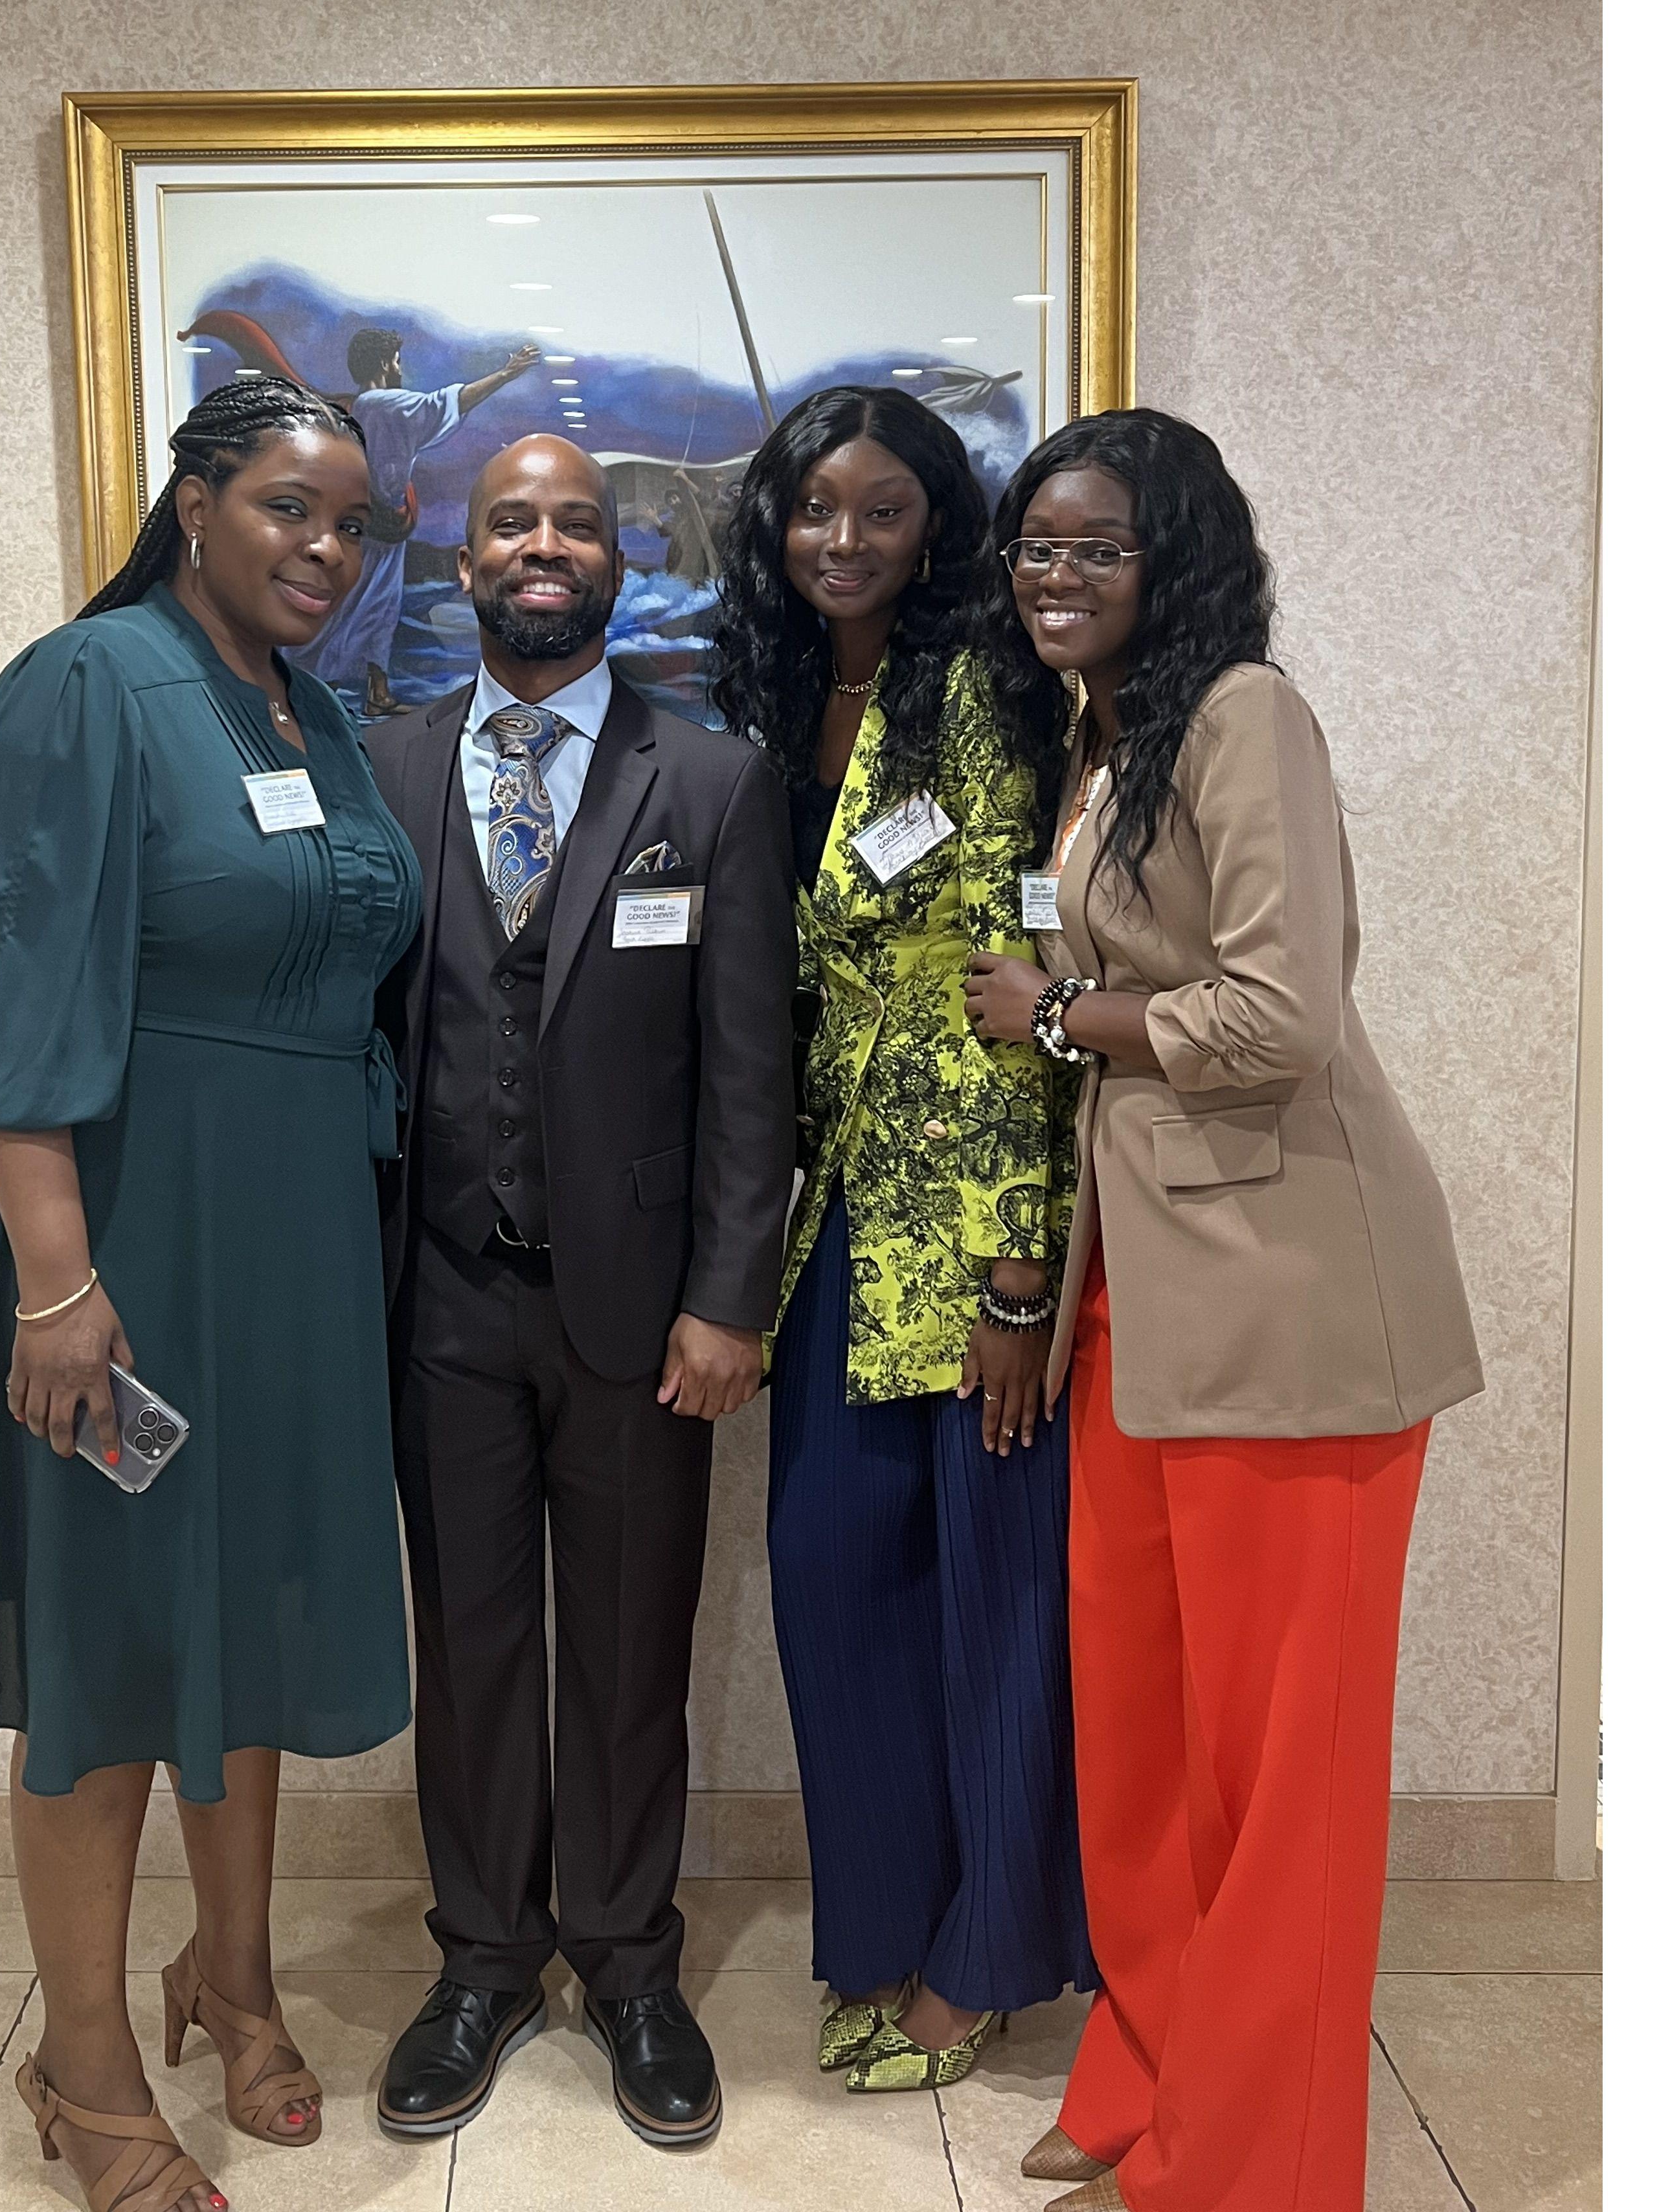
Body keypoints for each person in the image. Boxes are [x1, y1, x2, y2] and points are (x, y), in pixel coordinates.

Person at [0, 375, 425, 2212]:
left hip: (291, 1251)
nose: (328, 551)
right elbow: (14, 1005)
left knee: (249, 1615)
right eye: (291, 507)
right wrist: (55, 1286)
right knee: (110, 1650)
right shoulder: (88, 687)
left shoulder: (311, 714)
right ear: (191, 501)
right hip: (116, 1244)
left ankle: (235, 1977)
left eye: (355, 524)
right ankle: (88, 2067)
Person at [960, 407, 1485, 2212]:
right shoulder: (1104, 743)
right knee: (1148, 1741)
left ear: (1176, 558)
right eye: (1036, 542)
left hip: (1292, 1309)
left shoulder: (1246, 714)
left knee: (1286, 1789)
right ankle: (1151, 2073)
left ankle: (1256, 2166)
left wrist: (1053, 1013)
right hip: (1143, 1310)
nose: (1053, 574)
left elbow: (1279, 1019)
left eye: (1095, 546)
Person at [361, 432, 796, 2151]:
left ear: (618, 560)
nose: (542, 544)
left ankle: (626, 1963)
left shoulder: (711, 782)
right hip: (442, 1301)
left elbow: (751, 1076)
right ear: (464, 558)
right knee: (469, 1650)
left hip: (643, 1313)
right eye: (509, 520)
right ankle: (480, 1957)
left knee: (627, 1652)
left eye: (574, 521)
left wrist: (731, 1295)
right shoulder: (381, 769)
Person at [712, 384, 1097, 2097]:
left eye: (879, 508)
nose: (841, 540)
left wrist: (1026, 1270)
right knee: (839, 1597)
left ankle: (988, 1958)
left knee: (998, 1615)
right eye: (812, 507)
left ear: (937, 521)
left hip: (977, 1244)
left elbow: (1029, 992)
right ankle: (877, 1934)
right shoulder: (776, 699)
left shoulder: (988, 702)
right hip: (838, 1237)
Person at [296, 327, 545, 715]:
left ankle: (375, 694)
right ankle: (326, 691)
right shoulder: (385, 404)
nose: (399, 368)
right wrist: (506, 374)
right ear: (382, 363)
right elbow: (449, 403)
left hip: (378, 528)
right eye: (396, 360)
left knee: (378, 607)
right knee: (360, 609)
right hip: (379, 528)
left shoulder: (366, 406)